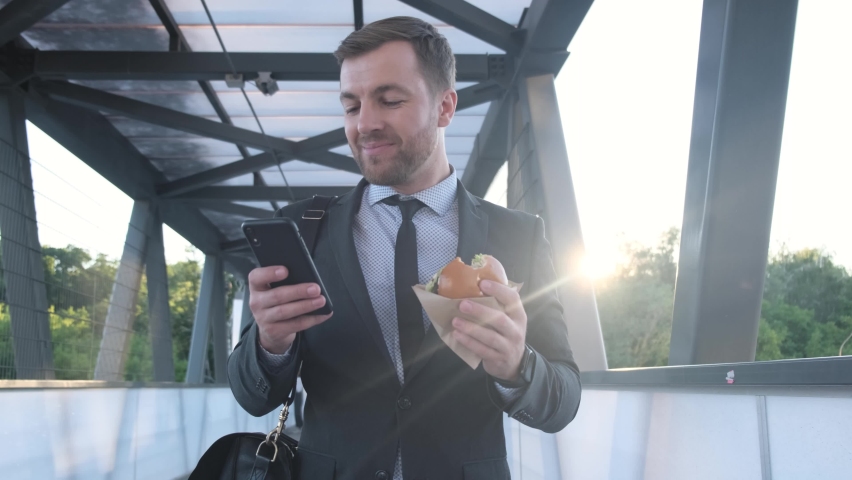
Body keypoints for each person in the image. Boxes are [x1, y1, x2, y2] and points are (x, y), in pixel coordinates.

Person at [229, 16, 582, 480]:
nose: (365, 124)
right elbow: (253, 396)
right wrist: (270, 343)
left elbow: (562, 401)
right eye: (351, 106)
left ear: (445, 107)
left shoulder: (517, 235)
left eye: (390, 100)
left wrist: (517, 365)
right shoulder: (304, 230)